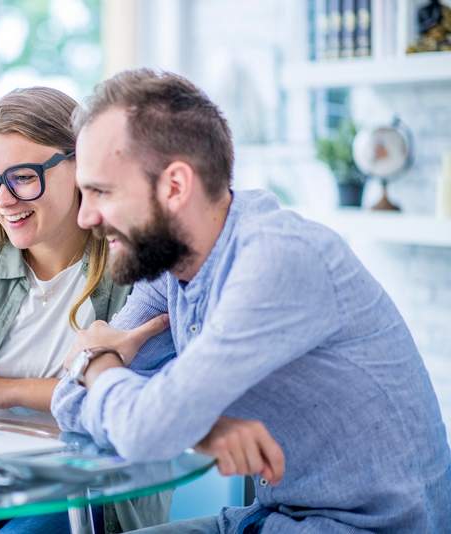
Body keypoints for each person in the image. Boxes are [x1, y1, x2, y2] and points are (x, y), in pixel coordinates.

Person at [51, 68, 451, 533]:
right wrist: (201, 428)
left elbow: (143, 426)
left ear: (175, 187)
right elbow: (70, 402)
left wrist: (98, 365)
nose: (84, 217)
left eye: (101, 191)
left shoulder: (275, 260)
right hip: (268, 518)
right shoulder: (171, 266)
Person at [0, 86, 284, 534]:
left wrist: (6, 390)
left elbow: (137, 396)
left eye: (23, 177)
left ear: (79, 164)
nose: (2, 199)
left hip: (93, 481)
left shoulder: (134, 254)